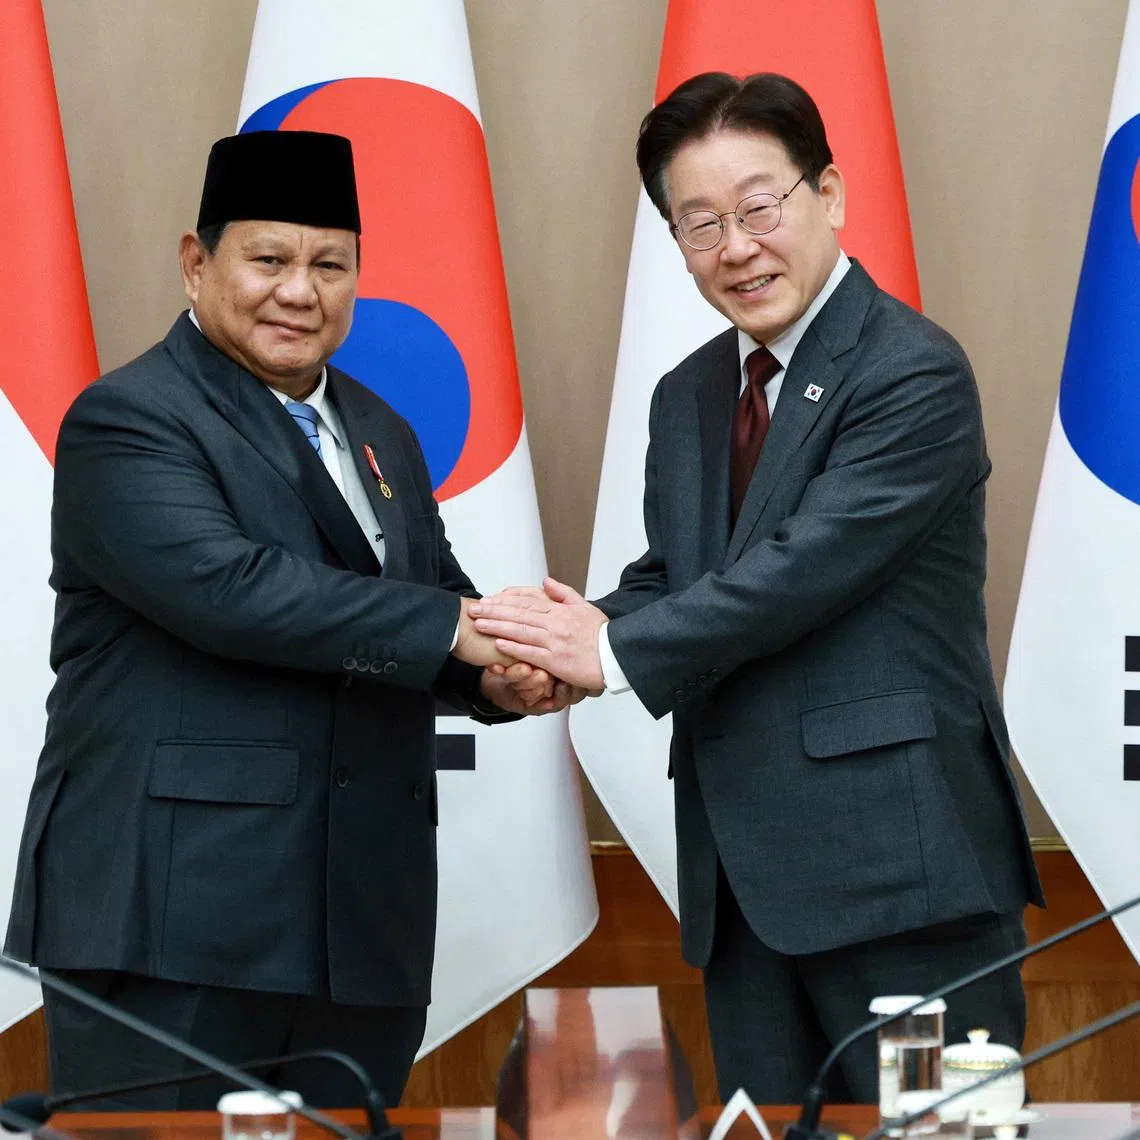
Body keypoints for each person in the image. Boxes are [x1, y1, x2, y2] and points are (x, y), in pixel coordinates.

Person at [473, 73, 1045, 1103]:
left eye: (759, 208)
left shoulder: (910, 370)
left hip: (904, 886)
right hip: (743, 889)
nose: (735, 247)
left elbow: (799, 571)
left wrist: (604, 654)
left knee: (934, 1130)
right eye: (700, 225)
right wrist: (562, 637)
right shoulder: (690, 393)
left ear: (828, 193)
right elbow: (681, 575)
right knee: (766, 1129)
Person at [4, 129, 566, 1110]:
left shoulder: (382, 429)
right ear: (197, 263)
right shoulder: (129, 419)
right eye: (268, 259)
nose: (299, 292)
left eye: (329, 266)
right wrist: (456, 631)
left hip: (360, 929)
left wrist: (497, 674)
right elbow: (233, 590)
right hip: (174, 923)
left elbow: (432, 594)